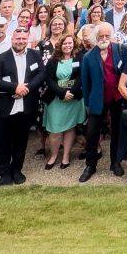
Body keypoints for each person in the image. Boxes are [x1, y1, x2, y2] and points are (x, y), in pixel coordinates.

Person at [0, 26, 44, 186]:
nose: (20, 41)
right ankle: (4, 172)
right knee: (3, 142)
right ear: (12, 39)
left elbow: (41, 74)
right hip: (3, 108)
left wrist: (26, 89)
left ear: (28, 40)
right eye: (18, 39)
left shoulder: (35, 55)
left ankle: (17, 170)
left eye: (24, 39)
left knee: (21, 142)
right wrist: (14, 88)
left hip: (25, 107)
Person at [79, 24, 125, 183]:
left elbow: (126, 73)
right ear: (95, 37)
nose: (104, 39)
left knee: (117, 131)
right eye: (101, 37)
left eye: (107, 36)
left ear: (111, 36)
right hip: (97, 100)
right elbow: (85, 83)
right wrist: (89, 102)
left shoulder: (120, 50)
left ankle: (115, 162)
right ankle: (90, 165)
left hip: (117, 98)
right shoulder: (88, 56)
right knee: (92, 133)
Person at [42, 34, 85, 169]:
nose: (67, 46)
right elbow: (49, 79)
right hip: (56, 98)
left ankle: (66, 156)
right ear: (60, 45)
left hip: (74, 98)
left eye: (70, 43)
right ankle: (54, 155)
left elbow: (81, 76)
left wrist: (71, 92)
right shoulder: (53, 60)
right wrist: (62, 93)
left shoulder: (79, 57)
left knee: (70, 128)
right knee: (55, 130)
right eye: (65, 43)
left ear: (74, 44)